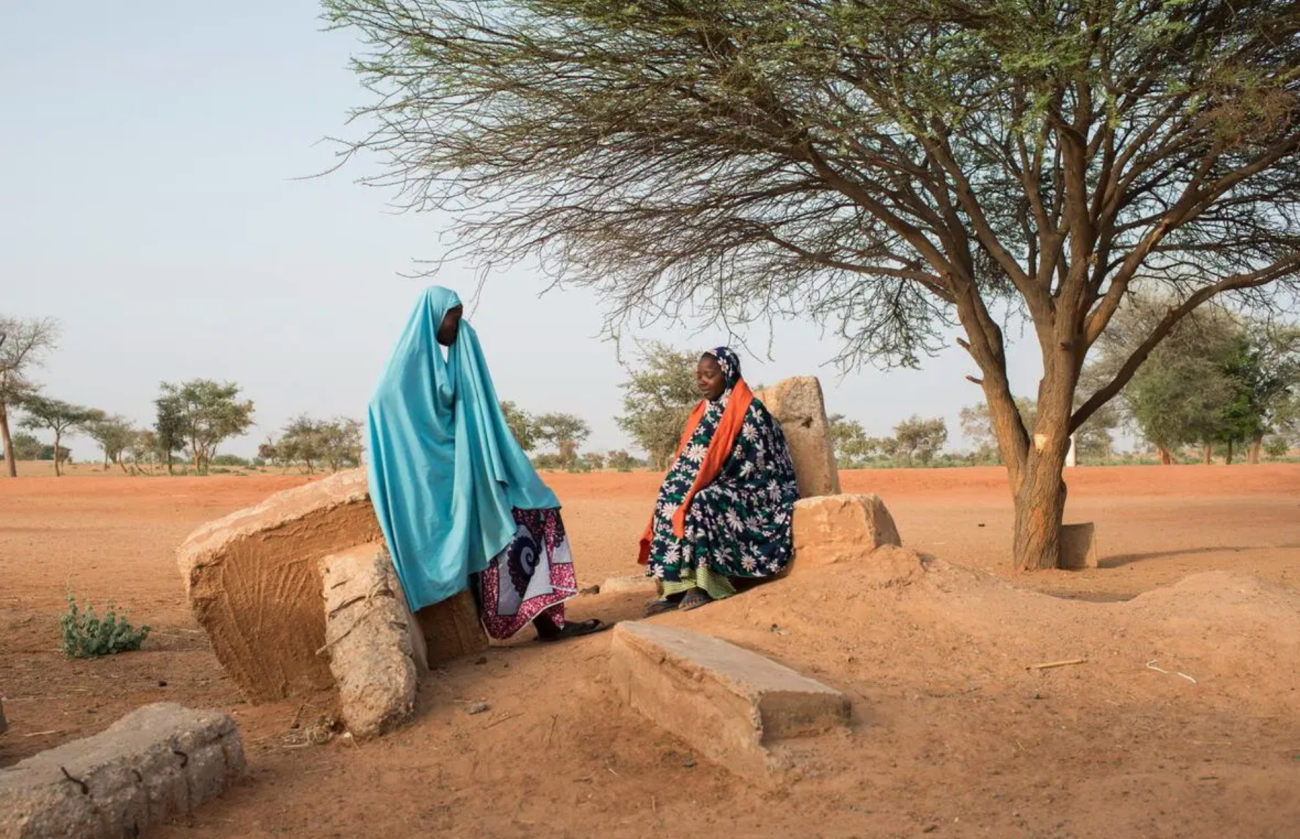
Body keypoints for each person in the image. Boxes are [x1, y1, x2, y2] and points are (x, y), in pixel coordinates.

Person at [367, 286, 606, 642]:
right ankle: (545, 624)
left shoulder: (441, 367)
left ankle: (548, 622)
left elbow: (460, 418)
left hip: (465, 476)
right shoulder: (400, 377)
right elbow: (393, 419)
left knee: (537, 512)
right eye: (453, 318)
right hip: (437, 486)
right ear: (434, 318)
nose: (457, 327)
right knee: (520, 522)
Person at [638, 347, 800, 614]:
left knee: (701, 499)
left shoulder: (751, 411)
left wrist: (706, 481)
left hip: (755, 492)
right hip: (717, 482)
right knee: (671, 495)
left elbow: (756, 466)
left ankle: (703, 585)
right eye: (698, 375)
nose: (702, 381)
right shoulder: (703, 413)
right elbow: (691, 458)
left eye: (709, 375)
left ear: (728, 374)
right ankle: (676, 586)